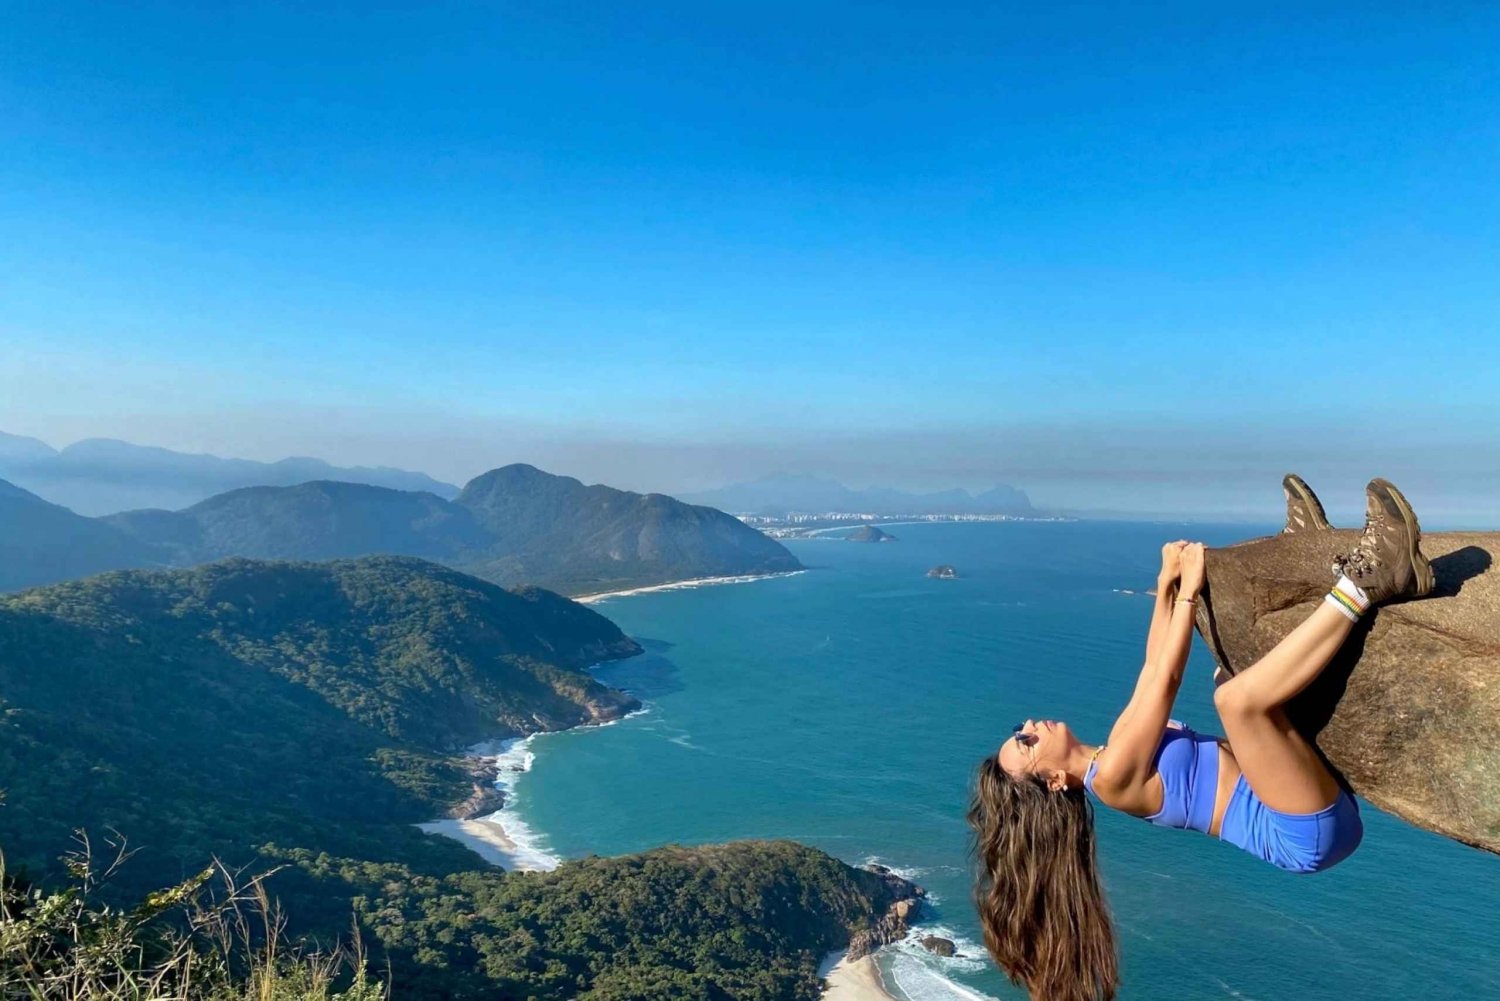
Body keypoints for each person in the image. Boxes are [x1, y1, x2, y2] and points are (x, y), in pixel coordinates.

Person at [967, 477, 1434, 1001]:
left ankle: (1303, 551)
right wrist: (1188, 589)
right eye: (1026, 744)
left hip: (1296, 801)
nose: (1030, 726)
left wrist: (1164, 582)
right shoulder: (1114, 779)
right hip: (1301, 832)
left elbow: (1150, 669)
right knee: (1235, 701)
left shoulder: (1109, 750)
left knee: (1231, 674)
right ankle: (1372, 580)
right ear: (1054, 782)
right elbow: (1167, 681)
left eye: (1019, 731)